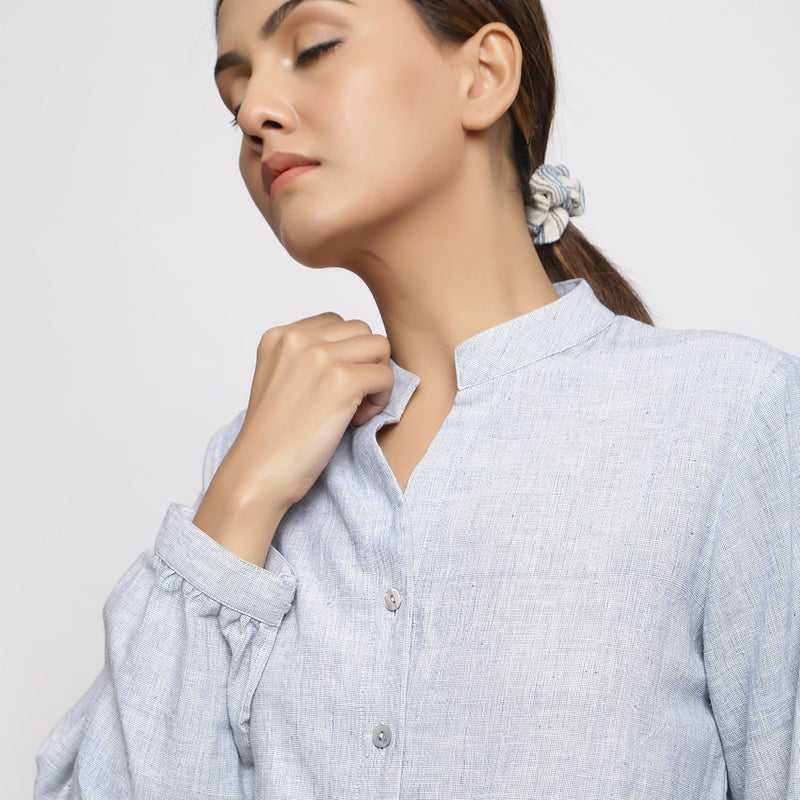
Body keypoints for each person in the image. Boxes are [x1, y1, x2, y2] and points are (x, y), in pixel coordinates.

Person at [35, 0, 799, 797]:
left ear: (484, 74)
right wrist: (237, 503)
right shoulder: (253, 468)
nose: (257, 113)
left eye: (314, 47)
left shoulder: (729, 419)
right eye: (235, 102)